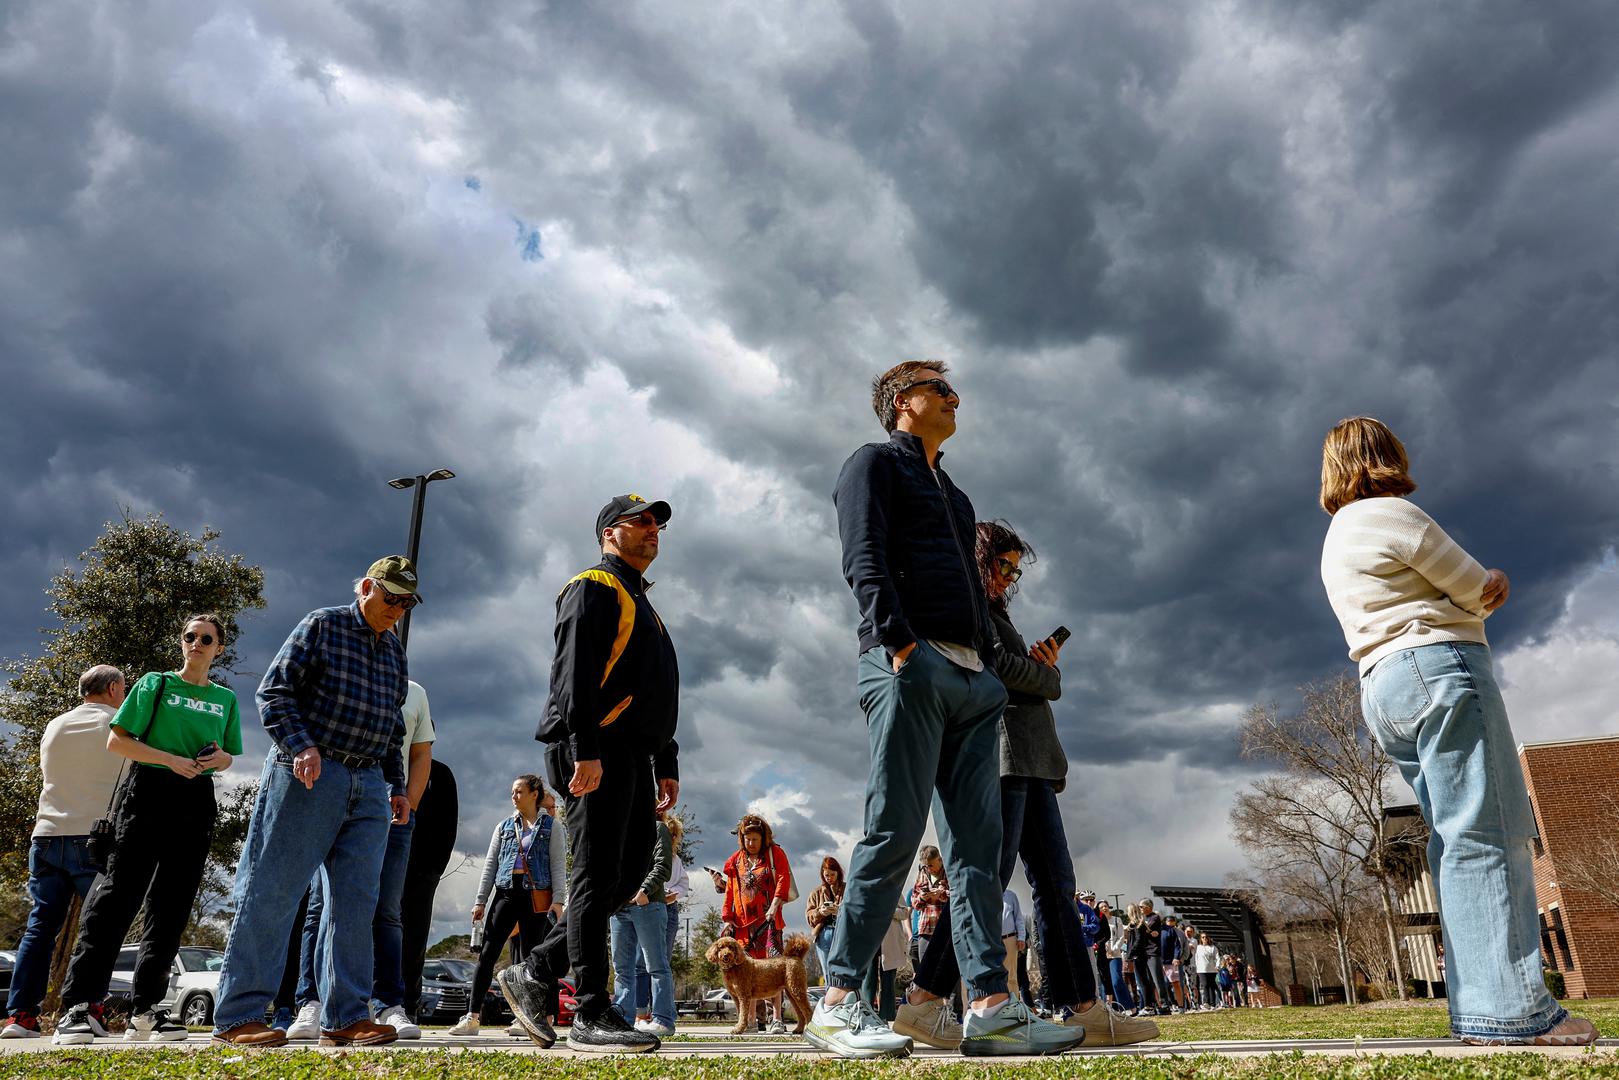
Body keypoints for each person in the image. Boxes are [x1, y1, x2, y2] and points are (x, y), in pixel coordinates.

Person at [816, 359, 1081, 1059]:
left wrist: (990, 675)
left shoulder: (956, 496)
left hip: (973, 682)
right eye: (940, 387)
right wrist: (901, 646)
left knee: (975, 856)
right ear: (902, 401)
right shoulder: (872, 465)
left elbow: (969, 586)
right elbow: (862, 557)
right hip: (908, 666)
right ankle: (839, 997)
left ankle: (990, 1006)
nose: (954, 396)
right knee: (894, 833)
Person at [1318, 417, 1595, 1047]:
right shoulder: (1392, 514)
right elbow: (1477, 587)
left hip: (1380, 684)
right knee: (1490, 831)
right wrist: (1489, 588)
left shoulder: (1335, 538)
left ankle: (1480, 1010)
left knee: (1453, 841)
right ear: (1388, 457)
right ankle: (1515, 1013)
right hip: (1438, 664)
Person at [498, 495, 680, 1054]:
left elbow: (651, 690)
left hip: (631, 753)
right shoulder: (593, 586)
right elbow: (573, 675)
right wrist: (585, 749)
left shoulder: (640, 601)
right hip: (592, 747)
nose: (654, 531)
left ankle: (535, 970)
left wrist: (666, 760)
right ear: (608, 533)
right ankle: (591, 1009)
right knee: (596, 873)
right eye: (642, 521)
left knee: (624, 878)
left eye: (658, 524)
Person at [212, 558, 417, 1048]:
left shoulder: (394, 651)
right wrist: (301, 745)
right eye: (391, 597)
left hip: (368, 784)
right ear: (366, 587)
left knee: (355, 905)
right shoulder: (323, 625)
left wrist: (397, 785)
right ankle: (239, 1016)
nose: (398, 609)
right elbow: (274, 692)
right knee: (273, 890)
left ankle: (346, 1017)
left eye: (408, 602)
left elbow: (392, 726)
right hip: (310, 771)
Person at [977, 521, 1156, 1045]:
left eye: (1014, 570)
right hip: (1007, 759)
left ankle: (1080, 1007)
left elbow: (1013, 669)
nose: (1008, 578)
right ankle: (925, 996)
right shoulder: (971, 605)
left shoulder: (997, 611)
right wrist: (1048, 676)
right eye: (1001, 565)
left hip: (1033, 762)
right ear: (980, 557)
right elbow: (1000, 671)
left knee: (1056, 885)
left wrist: (1035, 667)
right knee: (986, 881)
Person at [53, 616, 242, 1044]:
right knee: (117, 896)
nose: (196, 643)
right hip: (148, 792)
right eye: (190, 637)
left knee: (172, 905)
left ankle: (145, 1011)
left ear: (219, 649)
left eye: (206, 639)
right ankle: (79, 1006)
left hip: (196, 799)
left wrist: (217, 760)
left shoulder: (225, 699)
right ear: (182, 642)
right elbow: (117, 740)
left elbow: (231, 754)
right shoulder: (155, 684)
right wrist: (168, 758)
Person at [3, 666, 127, 1040]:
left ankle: (21, 1016)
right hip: (93, 838)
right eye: (124, 687)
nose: (125, 694)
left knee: (40, 928)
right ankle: (86, 1008)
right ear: (111, 688)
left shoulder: (55, 725)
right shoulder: (120, 725)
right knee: (99, 929)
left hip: (46, 835)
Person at [449, 774, 568, 1036]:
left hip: (535, 896)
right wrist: (480, 900)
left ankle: (529, 1018)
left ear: (534, 794)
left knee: (530, 959)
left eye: (518, 791)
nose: (513, 796)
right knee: (487, 954)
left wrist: (558, 900)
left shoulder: (551, 827)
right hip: (505, 894)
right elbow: (490, 865)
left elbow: (558, 865)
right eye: (512, 792)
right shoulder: (503, 826)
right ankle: (472, 1017)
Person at [709, 814, 793, 1033]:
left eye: (755, 839)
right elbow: (730, 892)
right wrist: (727, 918)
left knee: (775, 969)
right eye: (747, 839)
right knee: (747, 973)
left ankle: (777, 1019)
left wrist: (775, 905)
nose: (751, 843)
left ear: (763, 838)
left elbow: (783, 878)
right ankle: (752, 1021)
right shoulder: (735, 861)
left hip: (769, 922)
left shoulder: (775, 854)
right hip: (744, 926)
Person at [610, 809, 674, 1037]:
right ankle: (624, 1018)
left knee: (656, 966)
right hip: (619, 908)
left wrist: (645, 890)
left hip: (647, 905)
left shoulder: (658, 829)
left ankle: (663, 1020)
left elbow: (663, 865)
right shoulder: (617, 830)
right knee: (621, 968)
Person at [633, 813, 687, 1034]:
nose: (671, 836)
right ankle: (639, 1012)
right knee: (639, 962)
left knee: (659, 961)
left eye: (674, 834)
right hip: (644, 904)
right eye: (669, 831)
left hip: (667, 908)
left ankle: (661, 1013)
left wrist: (675, 893)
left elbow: (684, 884)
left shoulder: (675, 860)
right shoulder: (649, 851)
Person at [859, 906, 908, 1023]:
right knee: (868, 979)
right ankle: (866, 1013)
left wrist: (888, 911)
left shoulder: (894, 890)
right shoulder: (867, 891)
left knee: (888, 979)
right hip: (869, 938)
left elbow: (905, 913)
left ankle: (888, 1015)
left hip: (890, 941)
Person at [806, 858, 847, 988]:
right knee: (827, 972)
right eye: (826, 875)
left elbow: (856, 910)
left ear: (838, 873)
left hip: (844, 933)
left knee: (844, 970)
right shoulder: (816, 893)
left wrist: (839, 910)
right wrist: (820, 912)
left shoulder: (848, 889)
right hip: (824, 934)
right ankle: (830, 1002)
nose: (829, 878)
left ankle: (844, 1001)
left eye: (832, 874)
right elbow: (808, 917)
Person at [1098, 901, 1134, 1013]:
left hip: (1115, 955)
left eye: (1105, 906)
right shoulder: (1098, 922)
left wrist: (1113, 949)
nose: (1104, 908)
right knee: (1105, 982)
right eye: (1101, 907)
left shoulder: (1116, 920)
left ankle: (1127, 1006)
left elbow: (1121, 937)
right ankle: (1110, 1009)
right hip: (1102, 955)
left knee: (1116, 981)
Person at [1193, 934, 1220, 1010]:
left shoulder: (1213, 948)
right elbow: (1196, 958)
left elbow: (1217, 957)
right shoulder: (1198, 948)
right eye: (1203, 937)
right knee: (1205, 984)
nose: (1204, 939)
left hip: (1212, 969)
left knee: (1211, 986)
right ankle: (1206, 1002)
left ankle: (1213, 1004)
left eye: (1206, 937)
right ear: (1200, 939)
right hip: (1201, 970)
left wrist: (1217, 966)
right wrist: (1196, 968)